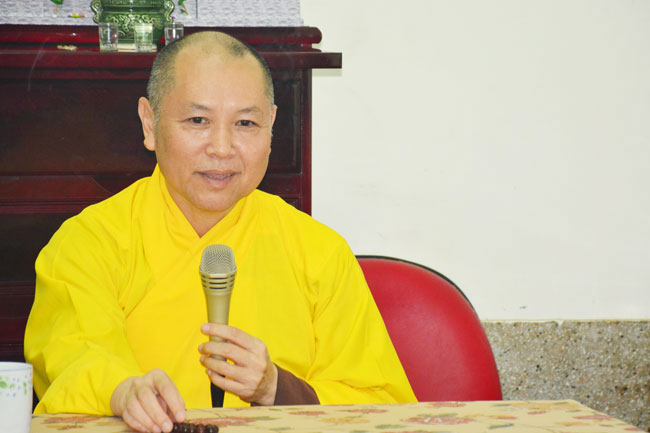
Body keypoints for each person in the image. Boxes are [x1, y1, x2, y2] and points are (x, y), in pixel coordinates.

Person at [24, 31, 416, 433]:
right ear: (150, 122)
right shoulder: (90, 242)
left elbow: (380, 404)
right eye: (198, 121)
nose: (222, 148)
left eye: (246, 123)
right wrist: (124, 393)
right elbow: (75, 356)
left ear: (271, 127)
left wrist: (276, 388)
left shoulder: (318, 251)